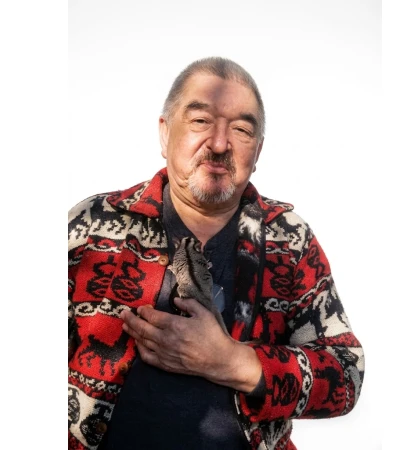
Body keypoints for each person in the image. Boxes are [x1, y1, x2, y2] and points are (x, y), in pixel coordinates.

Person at [68, 57, 364, 450]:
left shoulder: (289, 239)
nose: (220, 144)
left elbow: (346, 374)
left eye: (241, 130)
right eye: (200, 121)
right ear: (164, 133)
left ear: (258, 151)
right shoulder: (93, 224)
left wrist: (232, 362)